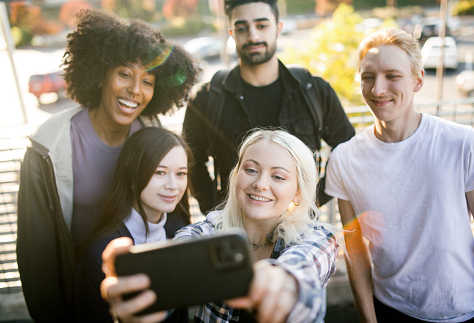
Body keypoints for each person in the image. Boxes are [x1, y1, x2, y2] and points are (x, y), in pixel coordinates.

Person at [16, 9, 199, 322]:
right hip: (80, 281)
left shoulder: (152, 135)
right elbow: (37, 254)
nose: (135, 90)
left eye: (148, 81)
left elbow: (175, 211)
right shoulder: (50, 146)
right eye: (125, 74)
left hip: (139, 274)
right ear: (101, 74)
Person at [325, 27, 474, 322]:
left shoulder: (463, 143)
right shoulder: (344, 158)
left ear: (418, 80)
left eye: (392, 76)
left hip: (461, 311)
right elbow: (355, 250)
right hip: (389, 308)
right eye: (368, 77)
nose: (378, 89)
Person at [100, 129, 342, 323]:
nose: (260, 184)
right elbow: (183, 255)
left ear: (298, 193)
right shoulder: (207, 229)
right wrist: (147, 298)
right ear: (236, 176)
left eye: (277, 176)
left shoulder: (319, 237)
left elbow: (304, 267)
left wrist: (285, 282)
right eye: (250, 170)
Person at [182, 0, 355, 214]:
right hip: (234, 233)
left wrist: (310, 201)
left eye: (262, 25)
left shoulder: (315, 91)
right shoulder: (206, 99)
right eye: (242, 28)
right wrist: (217, 210)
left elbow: (347, 150)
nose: (253, 36)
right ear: (232, 33)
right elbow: (191, 162)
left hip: (299, 229)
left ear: (278, 28)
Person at [73, 127, 191, 322]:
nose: (173, 185)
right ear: (133, 178)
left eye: (181, 173)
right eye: (160, 172)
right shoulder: (102, 253)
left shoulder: (179, 230)